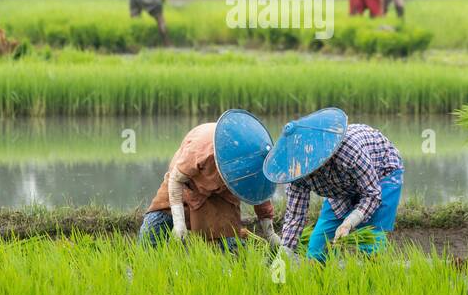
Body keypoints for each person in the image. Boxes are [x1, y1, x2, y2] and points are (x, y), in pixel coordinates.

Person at [264, 107, 403, 263]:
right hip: (341, 188)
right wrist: (284, 255)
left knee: (369, 247)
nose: (307, 171)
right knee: (317, 252)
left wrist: (349, 223)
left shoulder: (348, 151)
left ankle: (372, 280)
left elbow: (372, 194)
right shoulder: (296, 172)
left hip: (381, 174)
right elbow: (296, 216)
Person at [138, 109, 280, 252]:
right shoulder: (201, 151)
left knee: (229, 245)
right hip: (187, 186)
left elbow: (260, 193)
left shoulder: (255, 159)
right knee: (150, 234)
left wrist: (270, 233)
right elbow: (176, 180)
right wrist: (179, 222)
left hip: (223, 195)